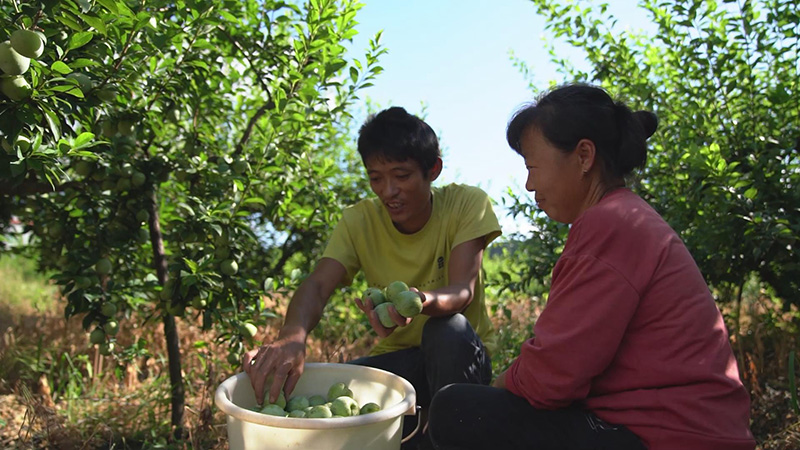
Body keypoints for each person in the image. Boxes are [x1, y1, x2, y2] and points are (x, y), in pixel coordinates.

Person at [426, 84, 756, 450]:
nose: (530, 184)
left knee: (456, 409)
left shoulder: (610, 224)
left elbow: (551, 377)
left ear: (584, 156)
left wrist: (496, 387)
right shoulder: (625, 216)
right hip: (662, 429)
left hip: (668, 437)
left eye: (533, 167)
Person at [243, 106, 502, 448]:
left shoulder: (467, 204)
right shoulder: (358, 221)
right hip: (402, 363)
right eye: (376, 177)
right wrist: (292, 337)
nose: (388, 190)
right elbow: (319, 284)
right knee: (342, 391)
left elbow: (461, 291)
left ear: (433, 169)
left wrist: (419, 302)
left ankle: (446, 433)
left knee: (447, 329)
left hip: (460, 361)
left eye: (402, 175)